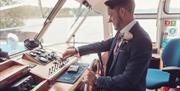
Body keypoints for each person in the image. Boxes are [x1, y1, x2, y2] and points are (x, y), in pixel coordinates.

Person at [62, 0, 152, 91]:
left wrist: (97, 80)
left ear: (122, 12)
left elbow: (128, 81)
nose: (109, 20)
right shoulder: (122, 32)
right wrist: (77, 50)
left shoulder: (142, 41)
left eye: (111, 15)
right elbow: (103, 45)